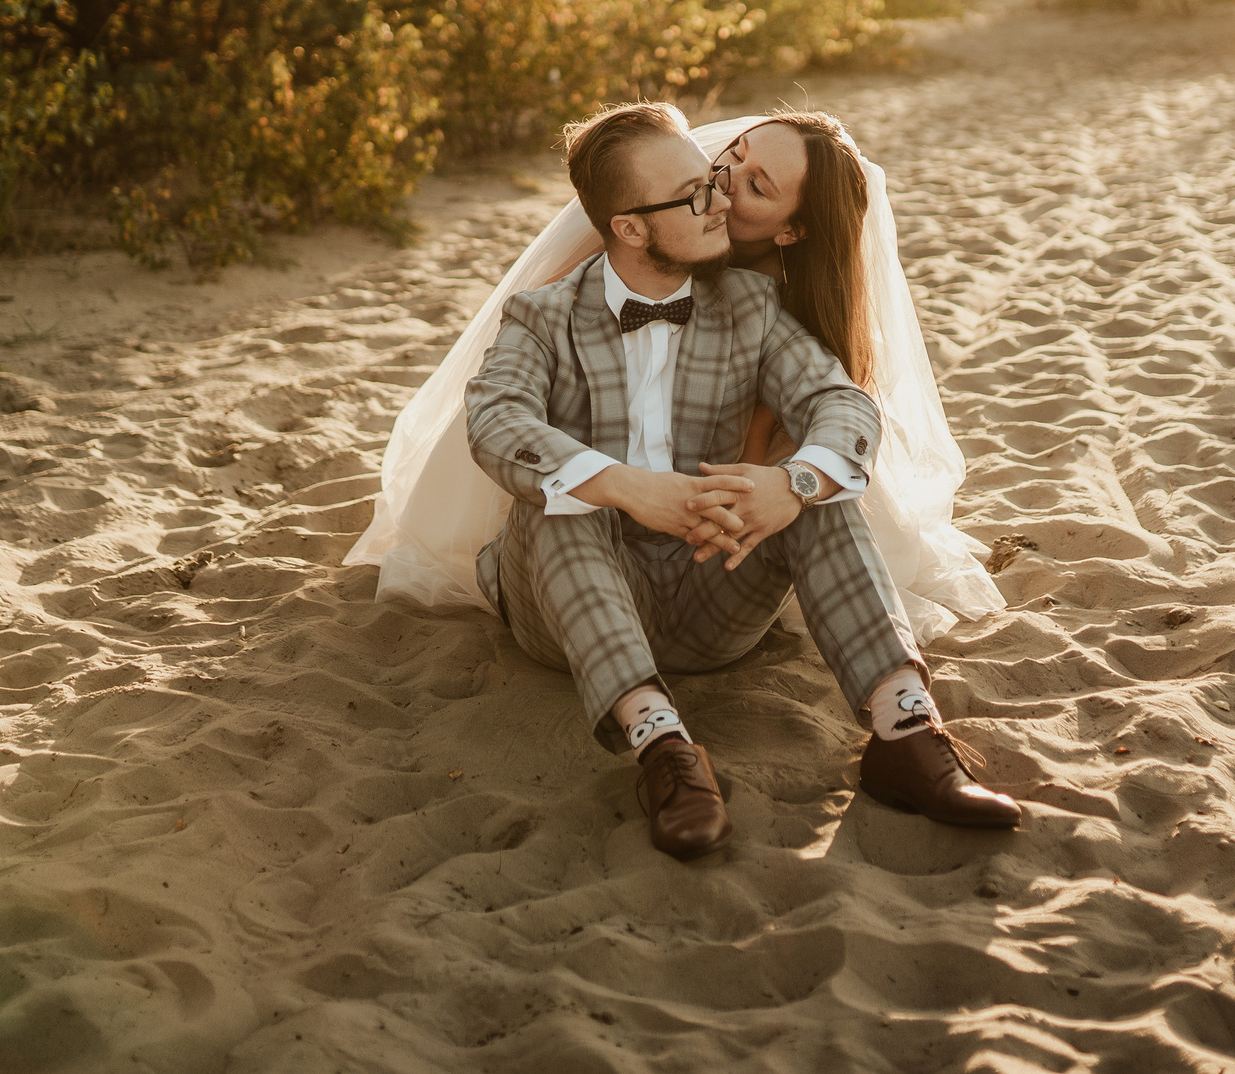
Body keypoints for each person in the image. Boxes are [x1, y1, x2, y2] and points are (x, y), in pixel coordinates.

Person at [459, 103, 1019, 858]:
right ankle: (665, 749)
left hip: (712, 597)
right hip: (568, 611)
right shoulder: (543, 316)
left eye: (724, 183)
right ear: (629, 227)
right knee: (566, 497)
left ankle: (907, 730)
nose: (719, 197)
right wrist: (627, 485)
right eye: (698, 193)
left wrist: (790, 484)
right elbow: (494, 423)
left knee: (816, 487)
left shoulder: (753, 305)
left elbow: (840, 401)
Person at [347, 112, 1001, 638]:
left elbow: (769, 420)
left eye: (756, 184)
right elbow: (545, 326)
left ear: (792, 231)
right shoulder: (655, 213)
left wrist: (732, 497)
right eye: (738, 151)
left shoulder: (778, 295)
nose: (724, 173)